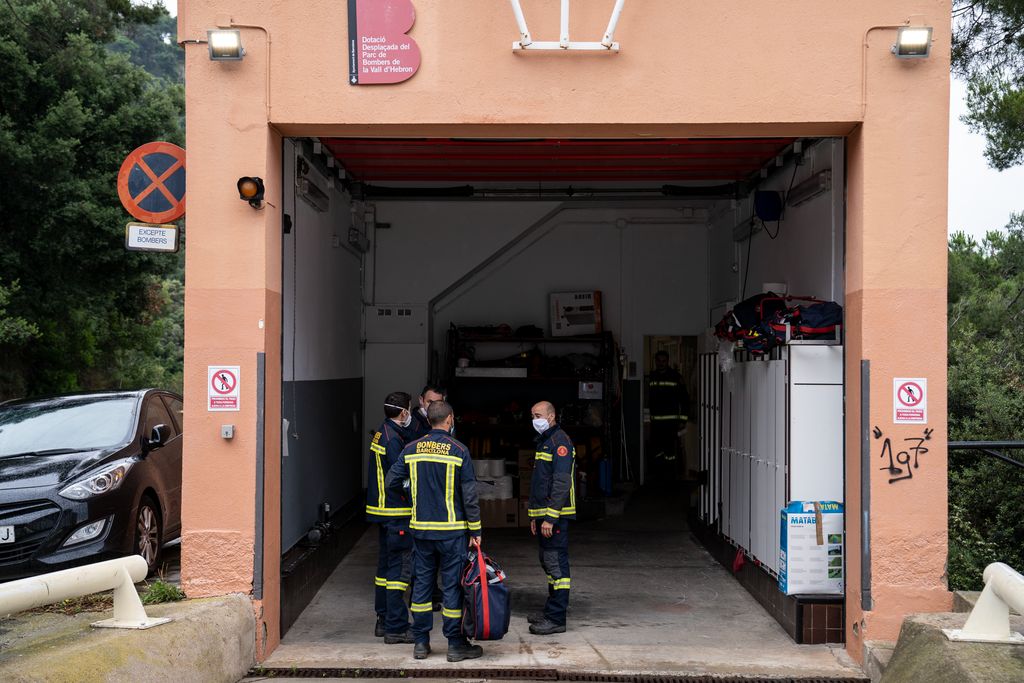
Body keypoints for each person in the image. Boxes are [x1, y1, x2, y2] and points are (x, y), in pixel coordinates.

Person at [386, 400, 484, 662]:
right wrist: (476, 530)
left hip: (421, 532)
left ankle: (420, 643)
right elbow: (470, 495)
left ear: (428, 420)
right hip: (452, 533)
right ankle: (455, 645)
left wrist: (411, 493)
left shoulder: (411, 448)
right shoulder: (459, 450)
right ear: (450, 419)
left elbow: (391, 481)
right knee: (452, 588)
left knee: (421, 588)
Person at [365, 392, 416, 643]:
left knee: (384, 569)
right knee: (399, 571)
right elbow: (399, 477)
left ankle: (384, 619)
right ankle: (397, 627)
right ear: (404, 413)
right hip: (396, 512)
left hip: (382, 512)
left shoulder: (382, 432)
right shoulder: (393, 440)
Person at [525, 400, 576, 635]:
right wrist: (536, 517)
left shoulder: (560, 442)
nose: (535, 419)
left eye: (538, 415)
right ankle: (550, 610)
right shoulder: (545, 442)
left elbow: (561, 483)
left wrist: (550, 518)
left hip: (555, 517)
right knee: (548, 562)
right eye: (533, 415)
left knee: (556, 564)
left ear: (552, 416)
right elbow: (540, 484)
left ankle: (556, 618)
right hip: (544, 516)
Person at [647, 350, 689, 485]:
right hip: (655, 423)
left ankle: (671, 478)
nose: (660, 363)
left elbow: (684, 400)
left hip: (671, 424)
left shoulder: (676, 377)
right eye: (658, 360)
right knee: (656, 450)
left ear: (668, 361)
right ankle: (658, 477)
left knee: (670, 452)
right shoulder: (651, 377)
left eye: (663, 361)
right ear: (655, 361)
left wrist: (683, 420)